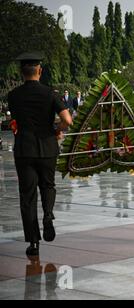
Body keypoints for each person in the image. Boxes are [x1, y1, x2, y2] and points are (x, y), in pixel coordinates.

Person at [8, 52, 72, 257]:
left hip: (24, 149)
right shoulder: (50, 93)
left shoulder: (13, 95)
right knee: (48, 185)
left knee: (27, 195)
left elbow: (17, 120)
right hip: (47, 147)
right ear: (40, 71)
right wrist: (56, 129)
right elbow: (67, 120)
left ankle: (34, 243)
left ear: (21, 72)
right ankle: (49, 215)